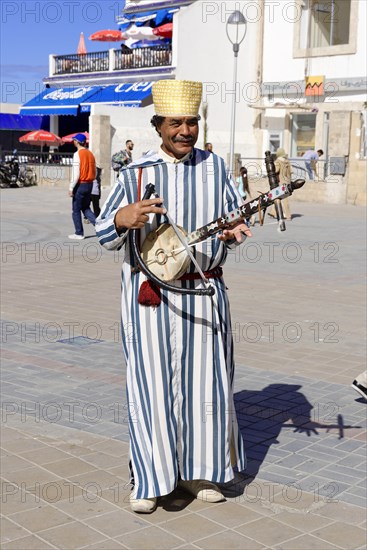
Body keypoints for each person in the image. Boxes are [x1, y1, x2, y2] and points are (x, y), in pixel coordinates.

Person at [96, 80, 252, 514]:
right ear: (158, 125)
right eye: (176, 123)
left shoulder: (216, 168)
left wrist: (234, 232)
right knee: (151, 386)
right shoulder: (136, 172)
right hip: (151, 301)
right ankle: (150, 478)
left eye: (192, 121)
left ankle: (199, 473)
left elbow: (232, 219)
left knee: (207, 386)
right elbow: (104, 233)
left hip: (203, 294)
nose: (185, 130)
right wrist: (123, 219)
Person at [68, 133, 96, 240]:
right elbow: (95, 171)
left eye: (74, 140)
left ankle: (79, 233)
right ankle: (99, 227)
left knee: (76, 210)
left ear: (77, 142)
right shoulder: (90, 154)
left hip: (81, 184)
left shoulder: (77, 154)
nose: (73, 142)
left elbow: (76, 173)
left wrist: (71, 188)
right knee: (86, 208)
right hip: (90, 184)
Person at [267, 148, 292, 221]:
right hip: (287, 181)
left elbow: (276, 170)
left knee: (281, 198)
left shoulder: (278, 161)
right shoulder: (287, 161)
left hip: (280, 182)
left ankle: (288, 216)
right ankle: (273, 212)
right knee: (279, 197)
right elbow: (291, 172)